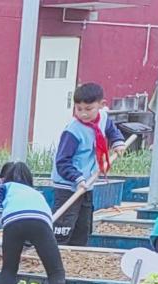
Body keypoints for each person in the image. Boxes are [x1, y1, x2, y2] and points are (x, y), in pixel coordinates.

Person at [51, 82, 125, 246]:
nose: (83, 114)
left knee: (83, 225)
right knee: (64, 225)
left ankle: (78, 252)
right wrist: (77, 178)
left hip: (88, 181)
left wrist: (118, 141)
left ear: (101, 105)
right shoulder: (73, 131)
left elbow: (112, 130)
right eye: (79, 109)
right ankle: (57, 252)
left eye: (88, 109)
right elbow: (62, 162)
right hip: (68, 185)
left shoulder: (103, 118)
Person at [0, 161, 68, 284]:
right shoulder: (36, 193)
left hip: (12, 222)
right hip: (41, 223)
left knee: (8, 269)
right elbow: (43, 226)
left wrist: (5, 222)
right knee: (56, 272)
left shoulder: (4, 187)